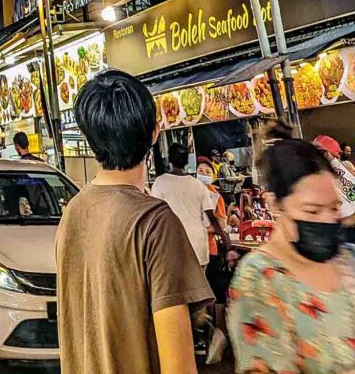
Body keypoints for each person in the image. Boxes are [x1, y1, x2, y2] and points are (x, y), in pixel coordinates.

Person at [57, 70, 211, 374]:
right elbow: (178, 366)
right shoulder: (154, 221)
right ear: (155, 132)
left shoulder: (73, 212)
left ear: (90, 141)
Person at [228, 137, 355, 373]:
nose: (328, 220)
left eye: (334, 208)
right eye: (312, 210)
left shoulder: (348, 258)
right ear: (275, 205)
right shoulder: (260, 277)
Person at [151, 143, 229, 268]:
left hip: (173, 248)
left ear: (169, 159)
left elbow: (154, 216)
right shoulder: (198, 185)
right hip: (198, 247)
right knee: (200, 285)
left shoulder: (160, 182)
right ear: (187, 162)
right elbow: (212, 217)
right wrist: (226, 240)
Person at [196, 157, 230, 364]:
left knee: (213, 295)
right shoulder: (192, 193)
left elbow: (222, 224)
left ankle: (218, 334)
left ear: (212, 174)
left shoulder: (216, 196)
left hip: (210, 250)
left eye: (206, 170)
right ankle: (206, 337)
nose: (202, 172)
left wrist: (199, 227)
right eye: (199, 169)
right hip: (194, 250)